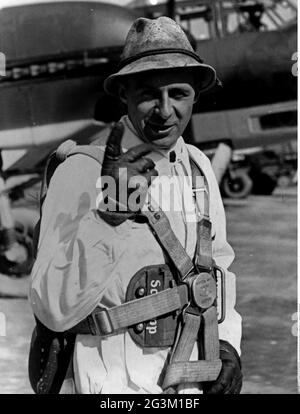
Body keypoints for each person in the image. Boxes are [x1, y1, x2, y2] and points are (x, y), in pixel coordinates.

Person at [29, 16, 242, 394]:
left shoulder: (197, 166)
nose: (164, 111)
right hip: (113, 385)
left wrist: (226, 342)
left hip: (190, 379)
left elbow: (217, 266)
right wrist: (109, 217)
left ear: (196, 94)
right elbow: (52, 308)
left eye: (178, 93)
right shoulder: (82, 171)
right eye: (147, 93)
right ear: (123, 93)